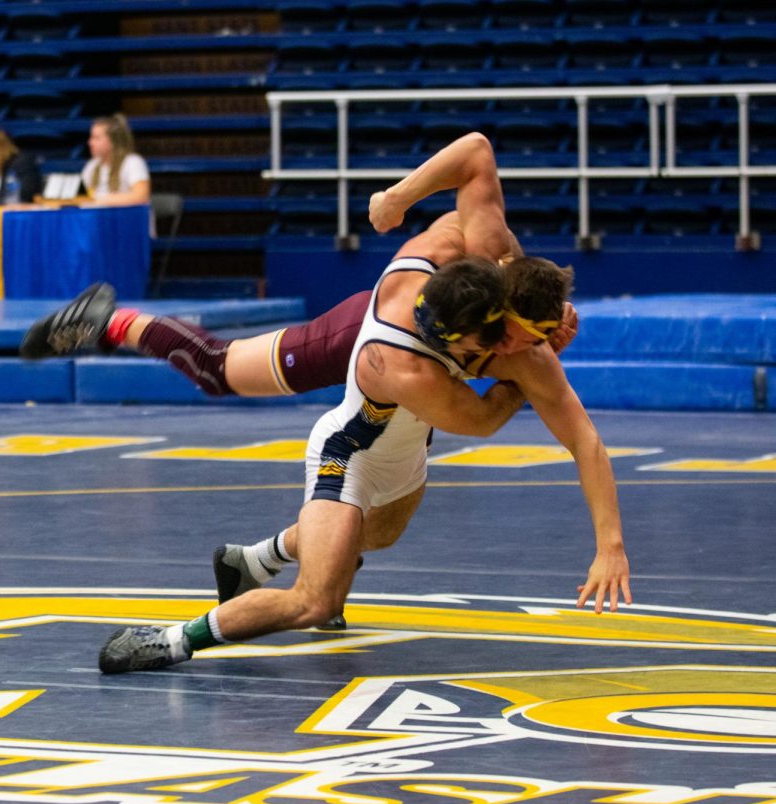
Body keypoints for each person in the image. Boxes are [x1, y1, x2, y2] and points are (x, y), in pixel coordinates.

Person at [94, 132, 631, 674]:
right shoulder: (409, 363)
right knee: (317, 597)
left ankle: (256, 559)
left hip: (405, 439)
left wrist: (396, 198)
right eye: (520, 340)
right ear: (472, 333)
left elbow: (477, 151)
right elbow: (483, 419)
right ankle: (169, 639)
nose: (527, 349)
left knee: (378, 534)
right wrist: (520, 379)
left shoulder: (482, 259)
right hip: (353, 427)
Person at [80, 114, 150, 206]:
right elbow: (80, 198)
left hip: (125, 218)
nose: (90, 143)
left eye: (96, 138)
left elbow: (141, 196)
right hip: (97, 218)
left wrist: (99, 201)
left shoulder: (132, 162)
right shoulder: (92, 165)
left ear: (112, 141)